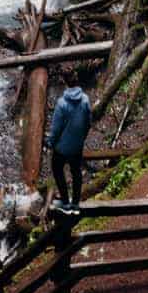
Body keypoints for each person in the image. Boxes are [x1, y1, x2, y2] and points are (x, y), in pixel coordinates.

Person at [45, 67, 92, 215]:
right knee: (76, 172)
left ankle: (65, 202)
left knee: (57, 170)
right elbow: (88, 123)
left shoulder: (62, 103)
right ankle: (75, 204)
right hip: (77, 146)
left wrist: (50, 142)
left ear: (64, 81)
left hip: (62, 148)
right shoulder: (85, 100)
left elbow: (56, 129)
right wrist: (81, 138)